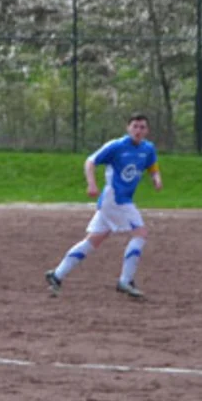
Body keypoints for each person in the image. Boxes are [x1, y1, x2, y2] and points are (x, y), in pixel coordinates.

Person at [45, 114, 161, 300]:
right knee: (140, 233)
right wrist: (91, 184)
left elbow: (152, 165)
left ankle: (57, 275)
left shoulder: (148, 149)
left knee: (94, 239)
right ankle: (125, 280)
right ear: (128, 128)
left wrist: (156, 178)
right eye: (135, 126)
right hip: (115, 199)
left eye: (142, 127)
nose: (138, 130)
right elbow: (90, 161)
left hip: (120, 200)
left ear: (147, 130)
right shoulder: (116, 146)